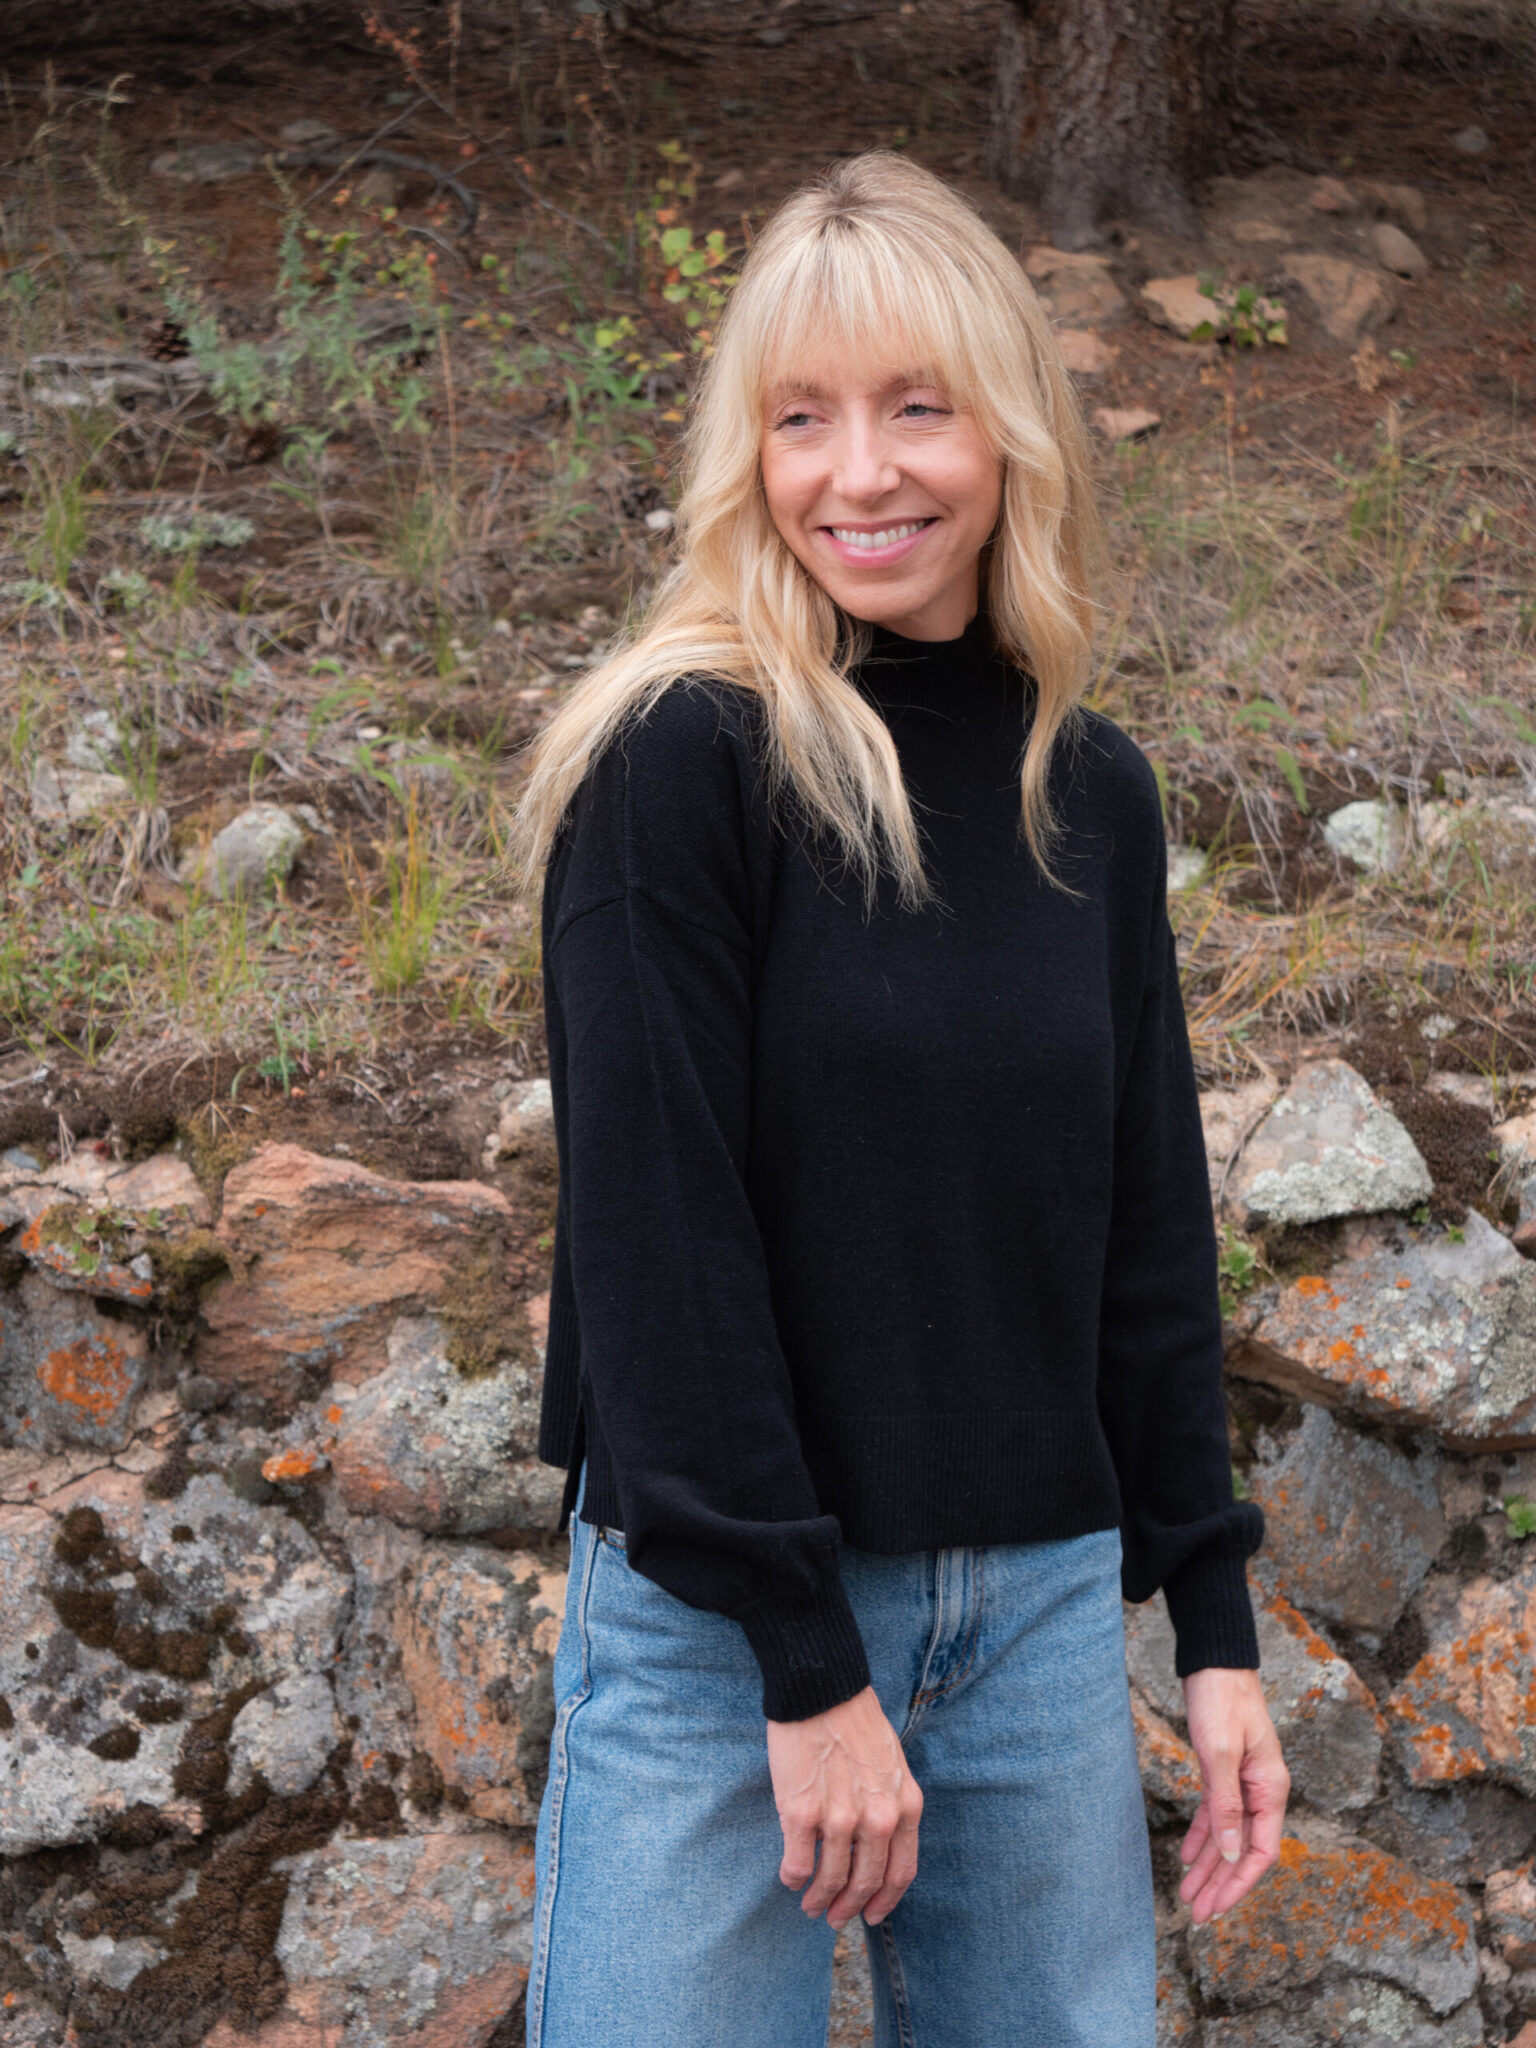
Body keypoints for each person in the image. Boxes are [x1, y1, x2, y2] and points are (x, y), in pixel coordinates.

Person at [510, 150, 1290, 2048]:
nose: (861, 474)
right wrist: (805, 1659)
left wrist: (1212, 1625)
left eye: (917, 408)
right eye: (802, 419)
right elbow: (657, 1238)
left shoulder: (1082, 785)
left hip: (1030, 1618)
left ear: (1009, 430)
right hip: (719, 1631)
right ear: (746, 454)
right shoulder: (679, 762)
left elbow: (1144, 1223)